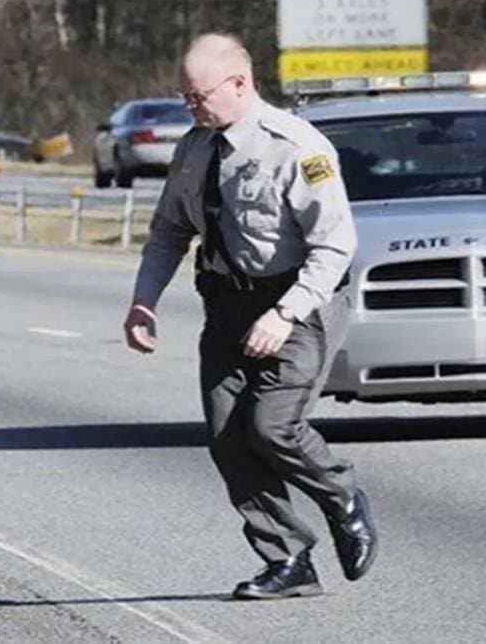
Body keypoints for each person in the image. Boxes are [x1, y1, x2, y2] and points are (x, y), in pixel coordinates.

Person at [124, 33, 378, 600]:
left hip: (298, 302)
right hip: (226, 303)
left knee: (272, 425)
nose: (190, 107)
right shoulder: (194, 148)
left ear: (240, 83)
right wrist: (145, 301)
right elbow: (169, 231)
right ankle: (288, 558)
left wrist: (284, 314)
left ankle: (341, 494)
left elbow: (335, 246)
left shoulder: (296, 147)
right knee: (227, 435)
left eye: (198, 96)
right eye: (184, 96)